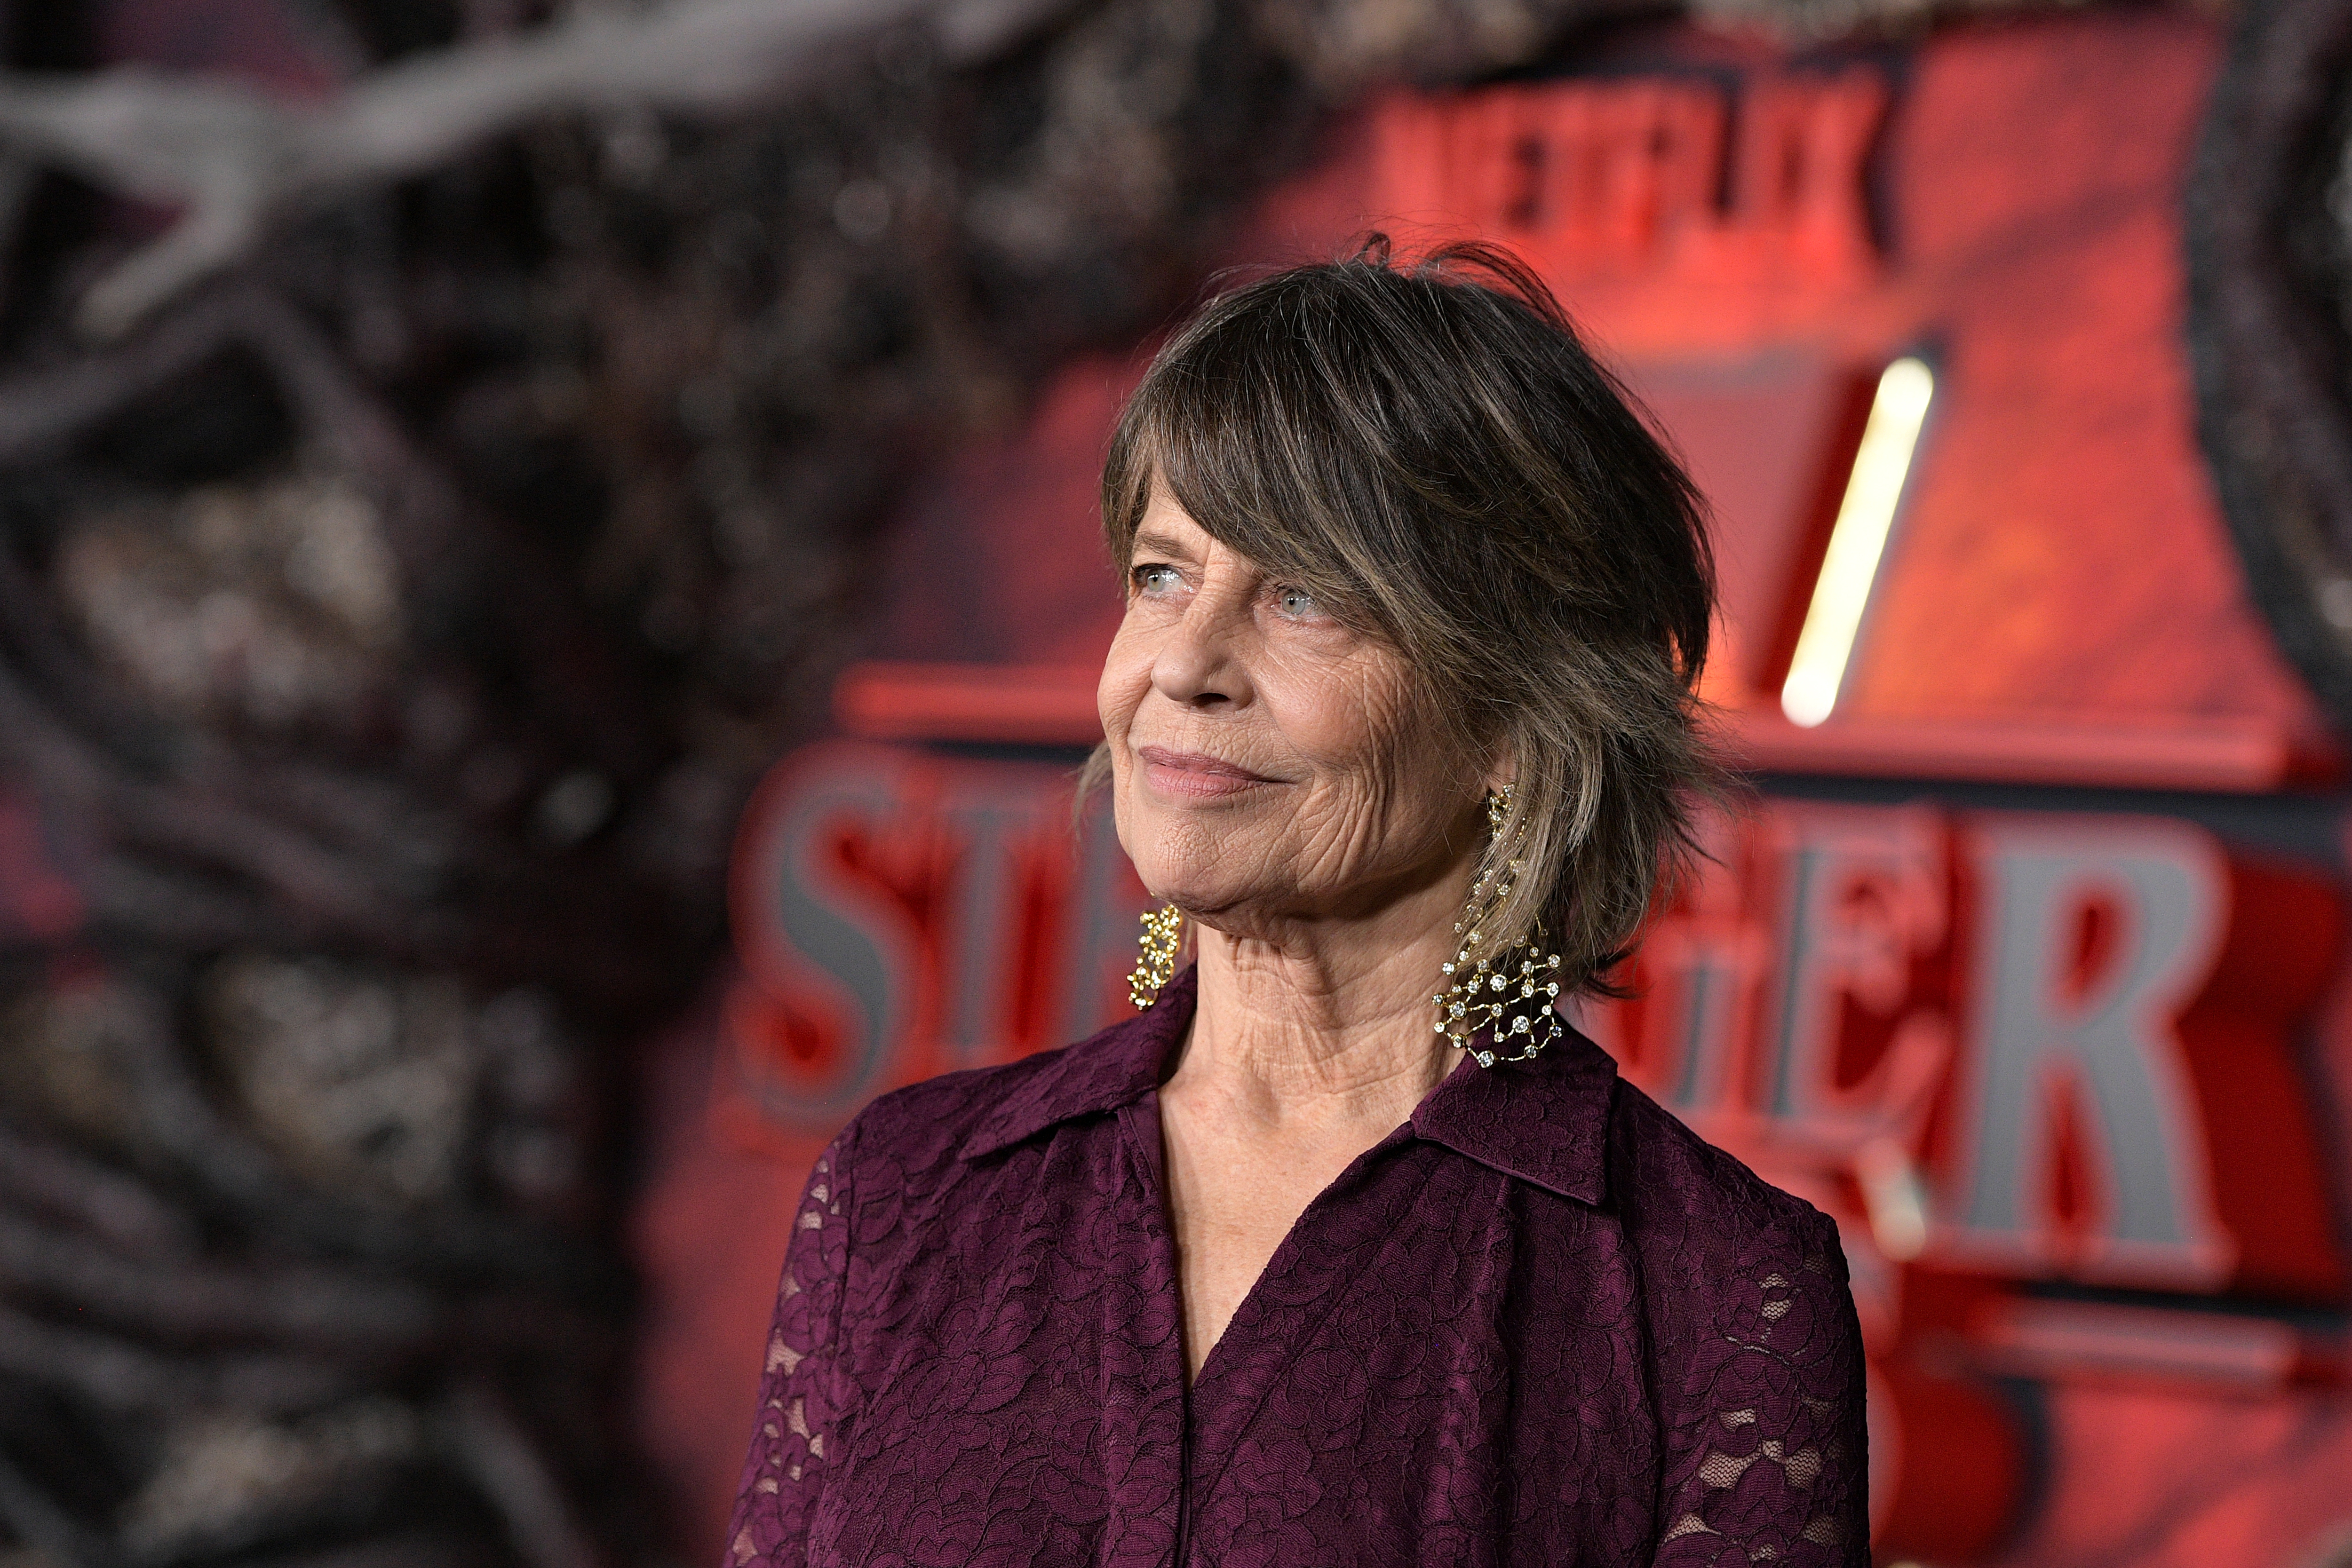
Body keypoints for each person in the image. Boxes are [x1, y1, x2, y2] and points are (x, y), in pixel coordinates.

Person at [724, 240, 1869, 1566]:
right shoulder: (902, 1194)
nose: (1184, 667)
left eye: (1304, 595)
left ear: (1516, 719)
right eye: (1162, 574)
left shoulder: (1713, 1293)